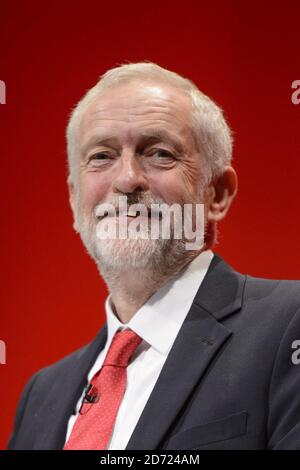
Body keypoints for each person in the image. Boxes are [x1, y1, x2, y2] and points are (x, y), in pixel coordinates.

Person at [8, 62, 300, 450]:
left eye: (159, 153)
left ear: (217, 193)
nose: (127, 179)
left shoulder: (289, 327)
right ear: (74, 199)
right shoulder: (41, 395)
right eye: (101, 156)